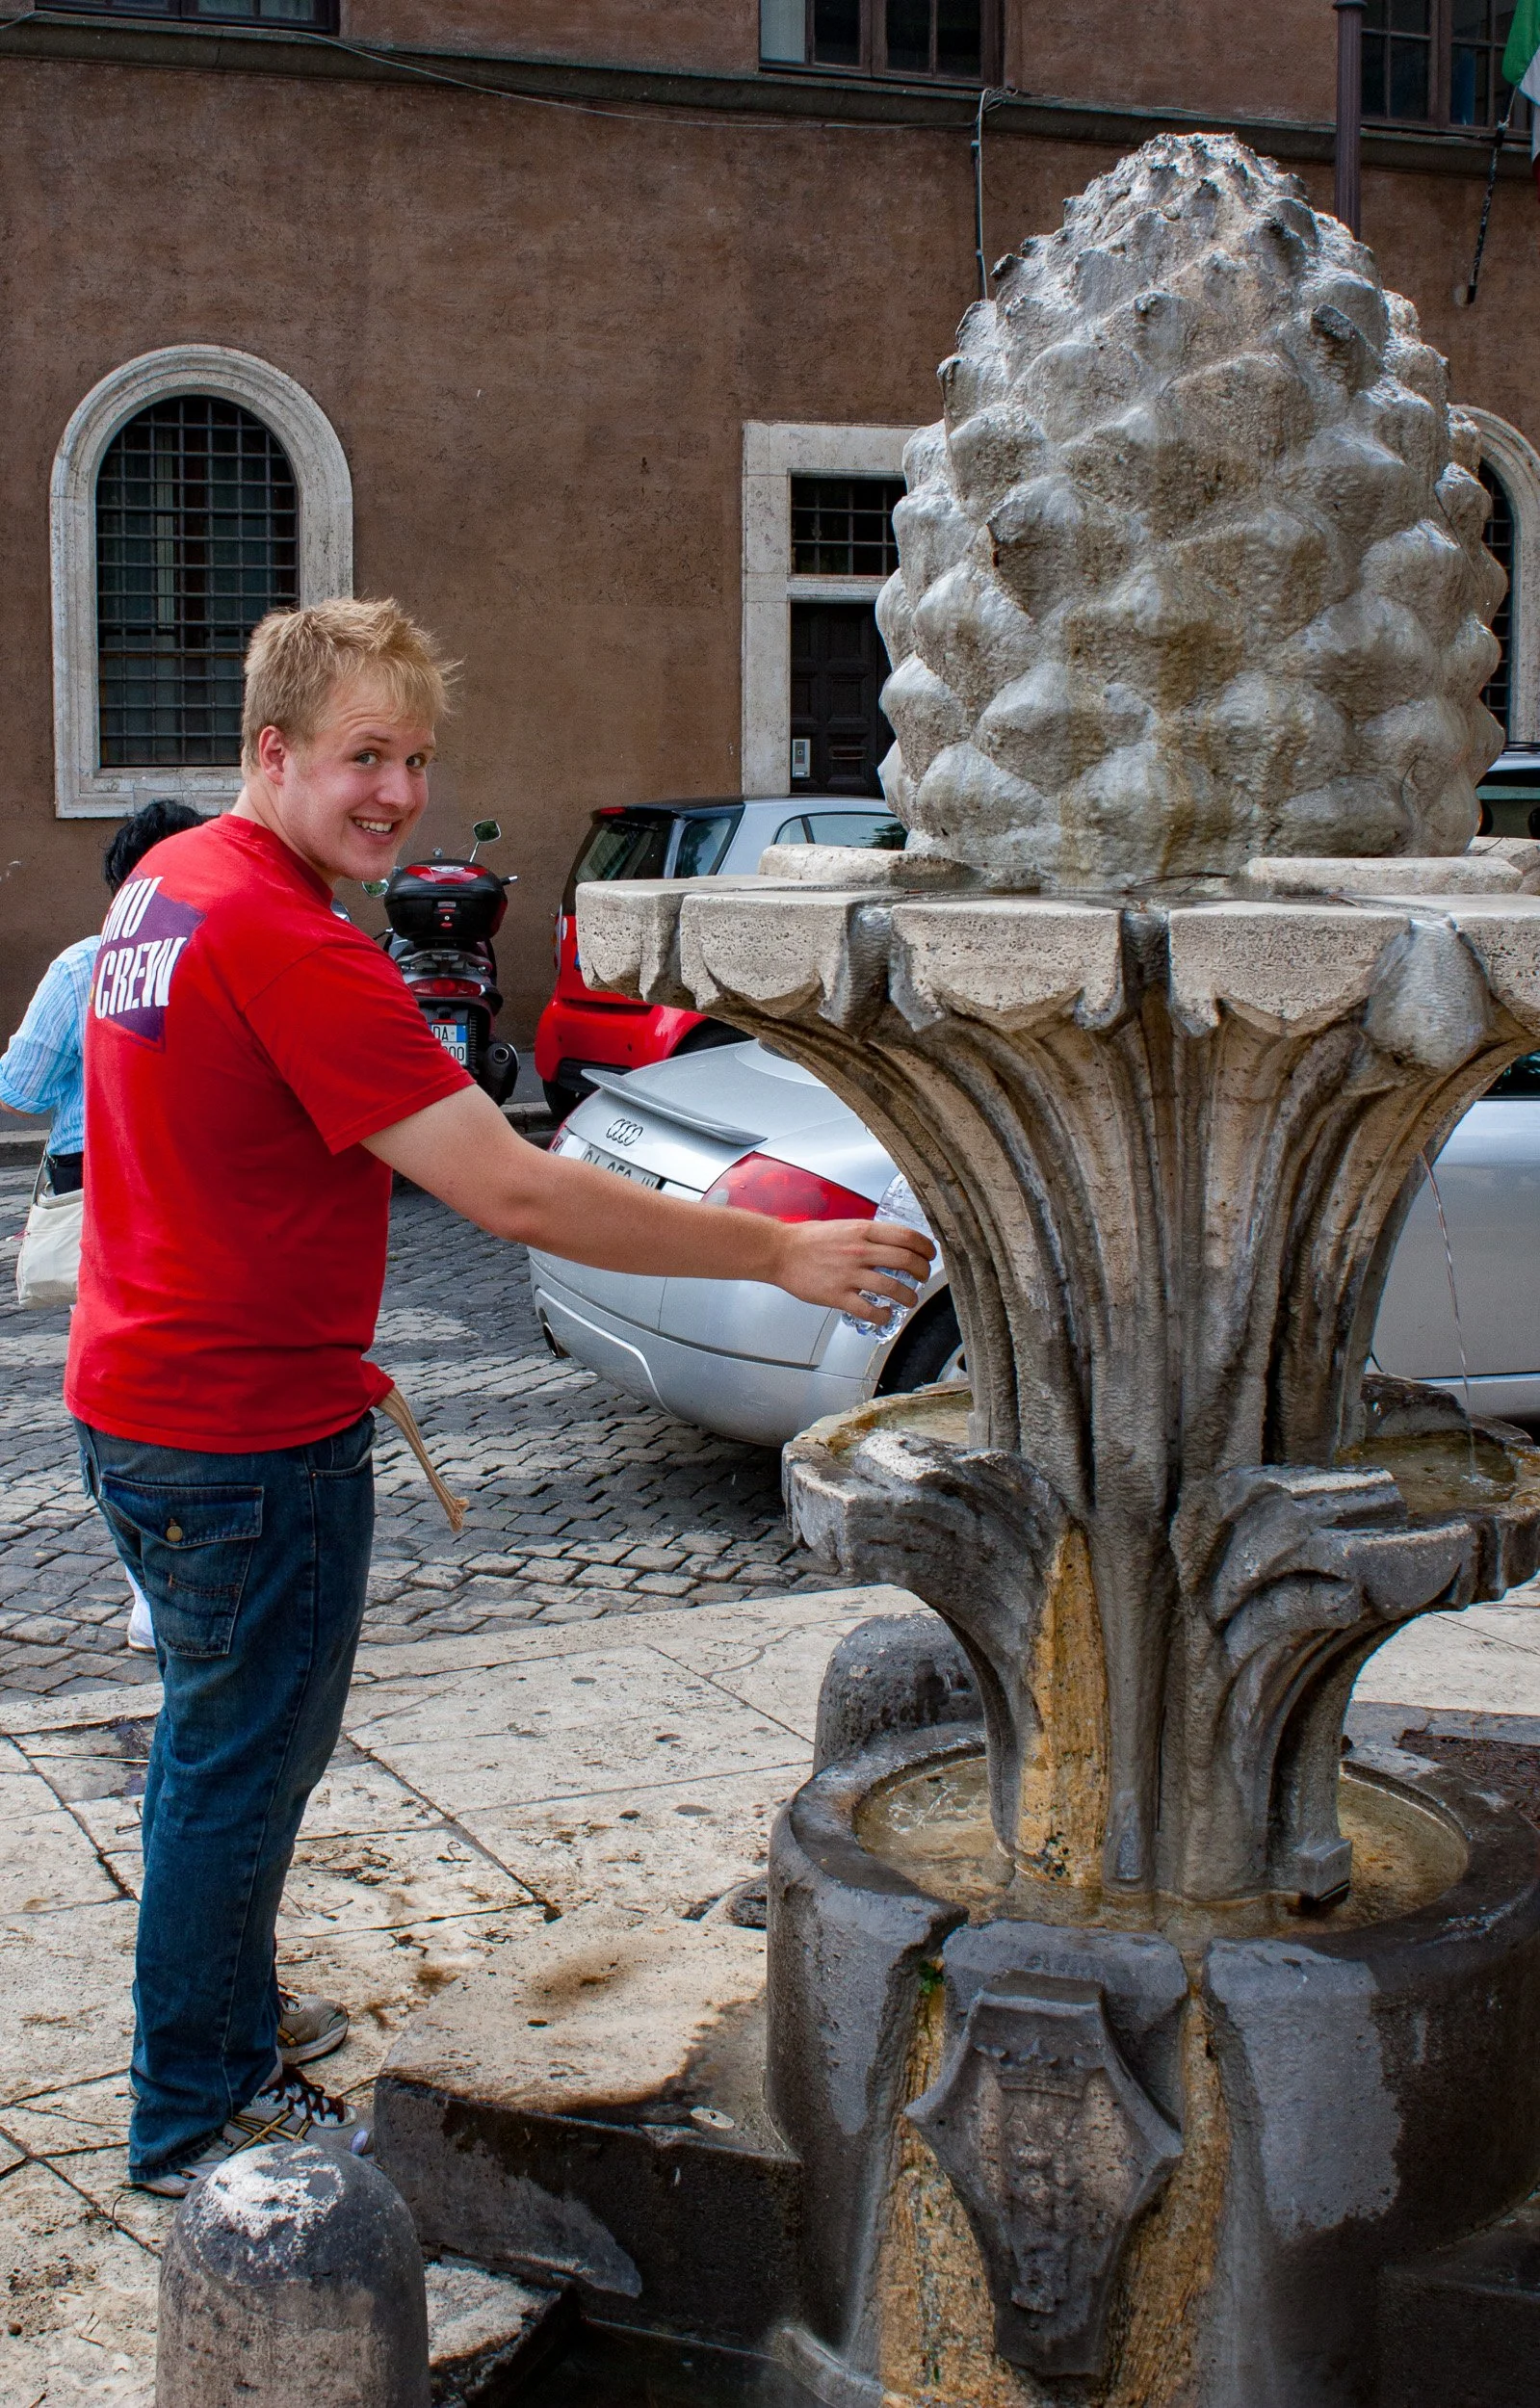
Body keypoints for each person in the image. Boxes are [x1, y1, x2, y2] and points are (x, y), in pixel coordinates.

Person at [65, 597, 933, 2198]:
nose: (397, 794)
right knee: (238, 1768)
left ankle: (219, 2012)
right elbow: (513, 1193)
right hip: (243, 1434)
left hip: (137, 1394)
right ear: (273, 751)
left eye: (415, 758)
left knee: (221, 1748)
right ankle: (197, 2107)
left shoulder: (170, 884)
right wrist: (777, 1250)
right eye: (363, 758)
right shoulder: (294, 942)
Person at [1, 801, 205, 1652]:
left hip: (99, 1203)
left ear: (120, 885)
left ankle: (149, 1589)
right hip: (198, 1200)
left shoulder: (85, 965)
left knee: (116, 1399)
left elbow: (19, 1089)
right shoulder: (231, 960)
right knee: (194, 1391)